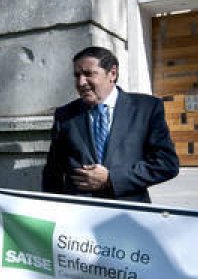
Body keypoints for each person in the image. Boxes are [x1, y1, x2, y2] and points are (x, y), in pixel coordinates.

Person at [42, 46, 179, 202]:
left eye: (88, 74)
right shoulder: (65, 115)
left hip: (128, 213)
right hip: (79, 215)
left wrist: (111, 179)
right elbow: (52, 174)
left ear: (112, 73)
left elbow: (166, 164)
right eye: (77, 75)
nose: (81, 82)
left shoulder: (146, 108)